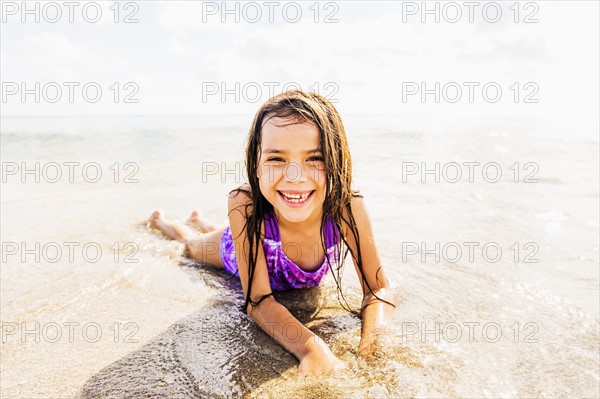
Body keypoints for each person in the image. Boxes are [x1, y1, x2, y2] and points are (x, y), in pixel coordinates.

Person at [148, 90, 396, 378]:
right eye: (276, 158)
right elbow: (258, 301)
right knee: (190, 245)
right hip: (233, 250)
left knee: (210, 231)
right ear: (254, 161)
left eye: (315, 158)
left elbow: (378, 290)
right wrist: (312, 348)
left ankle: (201, 220)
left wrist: (371, 348)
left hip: (261, 245)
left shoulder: (347, 208)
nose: (294, 176)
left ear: (338, 159)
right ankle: (163, 221)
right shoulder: (246, 204)